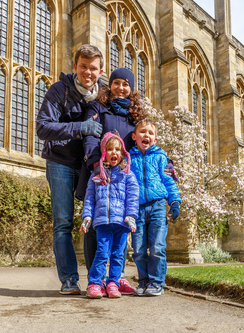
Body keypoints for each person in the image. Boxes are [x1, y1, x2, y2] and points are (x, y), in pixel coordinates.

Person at [36, 44, 104, 295]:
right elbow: (42, 128)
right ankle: (69, 279)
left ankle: (96, 279)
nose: (88, 72)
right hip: (60, 162)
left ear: (100, 70)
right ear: (75, 66)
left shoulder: (103, 95)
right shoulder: (59, 90)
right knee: (63, 223)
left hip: (89, 165)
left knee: (97, 221)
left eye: (93, 68)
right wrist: (80, 127)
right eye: (83, 66)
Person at [78, 67, 145, 294]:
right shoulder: (98, 107)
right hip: (99, 174)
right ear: (110, 85)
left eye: (126, 84)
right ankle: (95, 280)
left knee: (119, 233)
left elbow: (145, 142)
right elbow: (89, 137)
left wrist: (166, 161)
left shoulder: (135, 116)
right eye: (117, 83)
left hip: (124, 177)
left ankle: (116, 279)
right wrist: (98, 165)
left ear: (131, 89)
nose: (121, 88)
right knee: (97, 231)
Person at [81, 132, 139, 298]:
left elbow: (133, 197)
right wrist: (87, 217)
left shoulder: (127, 174)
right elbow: (90, 198)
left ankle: (113, 283)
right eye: (110, 149)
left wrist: (131, 216)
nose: (114, 152)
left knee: (117, 255)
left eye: (117, 149)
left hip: (121, 223)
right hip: (103, 222)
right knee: (101, 253)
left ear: (122, 153)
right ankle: (95, 283)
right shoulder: (97, 175)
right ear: (104, 152)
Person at [129, 119, 181, 296]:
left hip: (158, 205)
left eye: (151, 133)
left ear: (155, 139)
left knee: (157, 247)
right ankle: (143, 282)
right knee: (139, 249)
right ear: (134, 137)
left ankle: (157, 282)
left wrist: (174, 202)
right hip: (136, 208)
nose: (147, 135)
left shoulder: (161, 157)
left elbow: (168, 181)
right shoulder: (129, 157)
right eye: (143, 132)